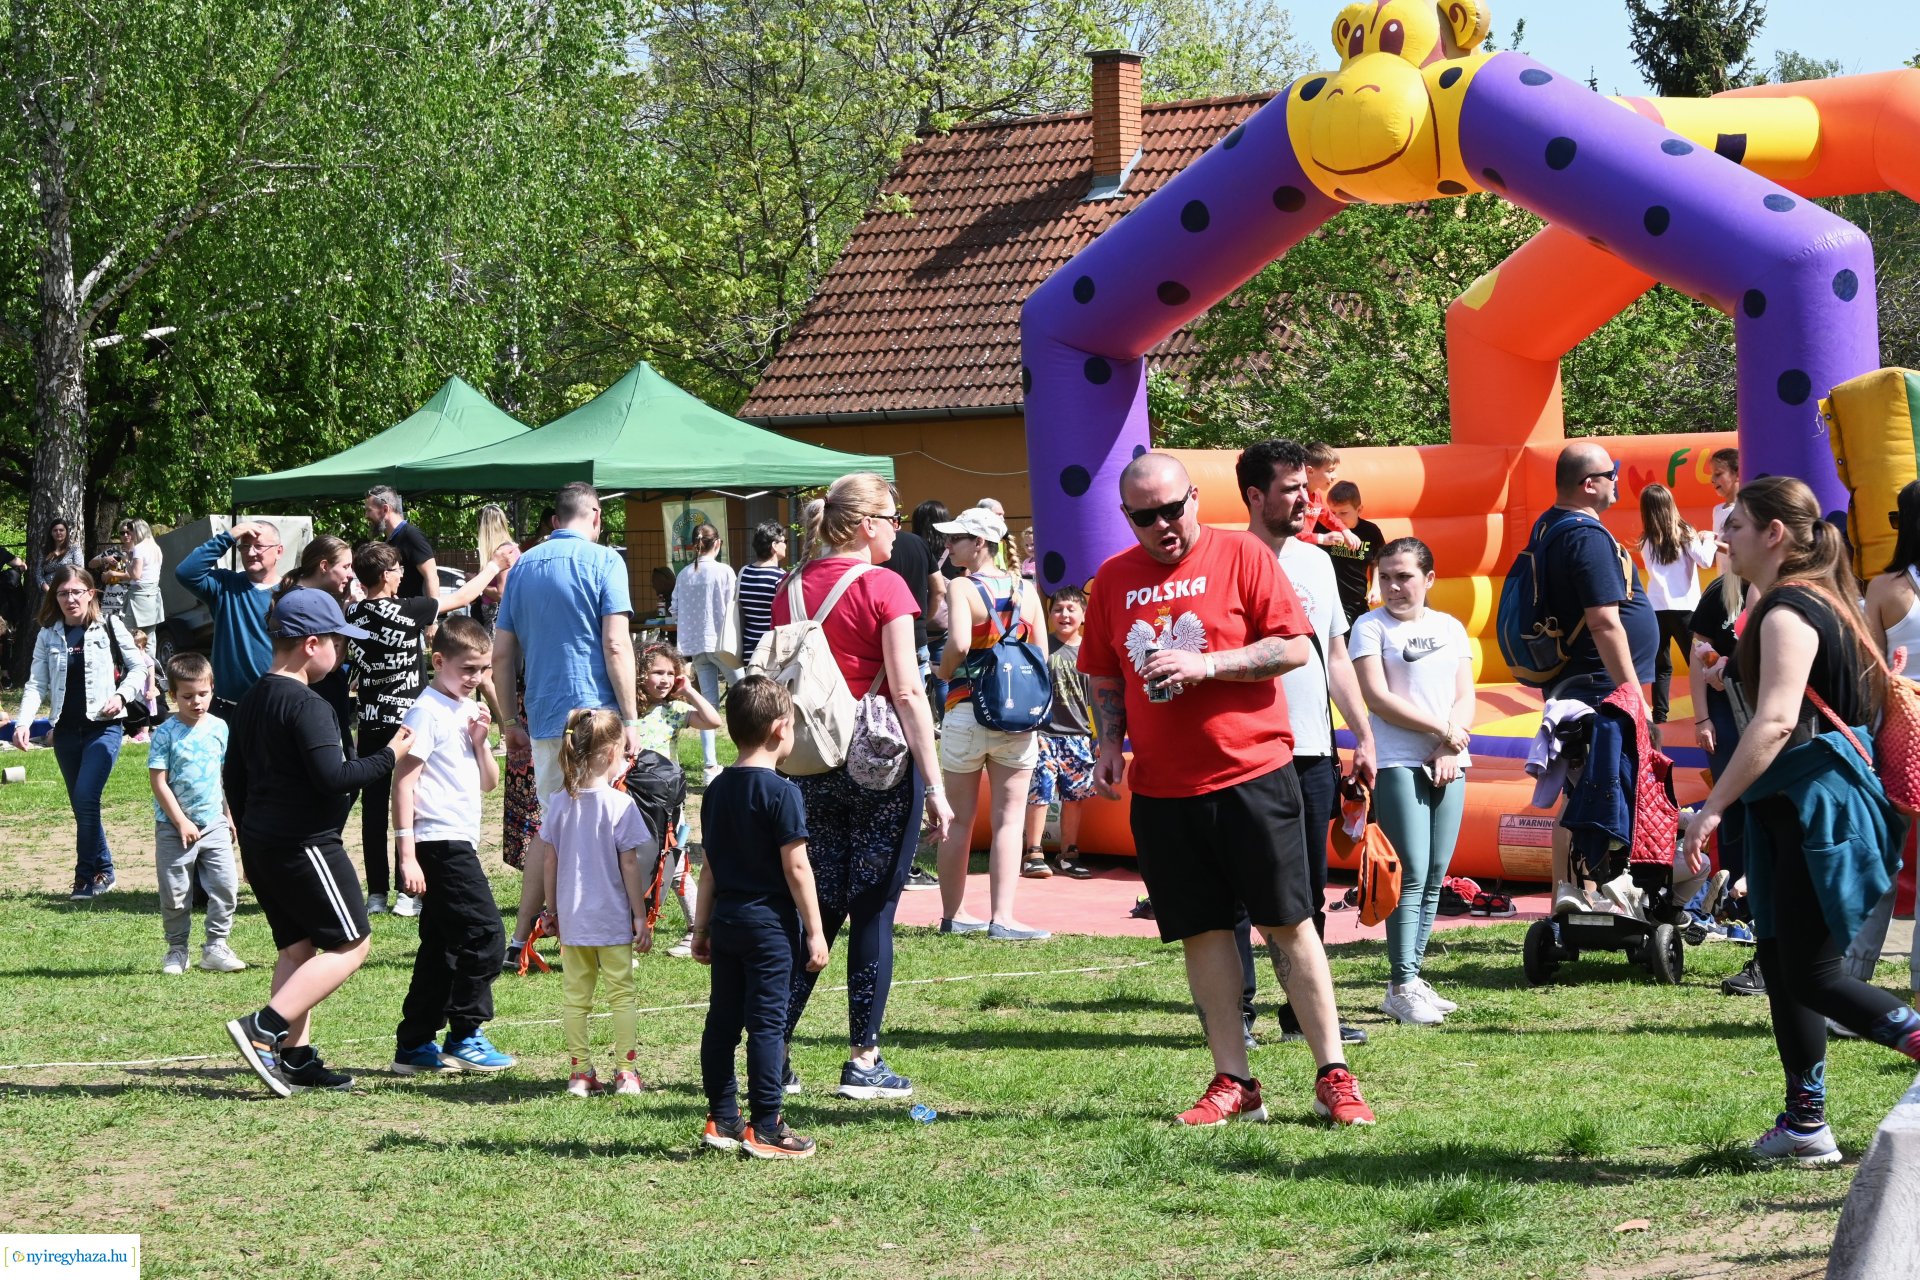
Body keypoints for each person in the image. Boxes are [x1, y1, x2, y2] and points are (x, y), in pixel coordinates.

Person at [1080, 452, 1374, 1127]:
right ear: (1127, 517)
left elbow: (1294, 647)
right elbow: (1104, 672)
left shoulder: (1242, 554)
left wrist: (1207, 664)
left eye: (1172, 509)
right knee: (1203, 932)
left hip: (1252, 773)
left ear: (1194, 499)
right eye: (1145, 517)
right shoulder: (1114, 579)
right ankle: (1234, 1080)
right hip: (1164, 790)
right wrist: (1108, 742)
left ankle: (1332, 1074)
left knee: (1288, 923)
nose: (1163, 525)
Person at [1681, 476, 1920, 1165]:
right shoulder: (1823, 598)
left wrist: (1711, 809)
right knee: (1782, 963)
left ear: (1774, 533)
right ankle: (1805, 1123)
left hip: (1814, 806)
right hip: (1793, 804)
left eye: (1735, 524)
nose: (1722, 536)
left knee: (1812, 973)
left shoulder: (1788, 610)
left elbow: (1778, 721)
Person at [772, 474, 952, 1101]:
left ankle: (775, 1050)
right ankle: (863, 1059)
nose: (898, 530)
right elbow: (907, 690)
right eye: (892, 518)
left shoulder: (791, 586)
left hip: (808, 760)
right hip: (877, 764)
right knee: (873, 907)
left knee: (814, 906)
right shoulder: (885, 586)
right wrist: (936, 784)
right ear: (866, 523)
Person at [221, 588, 414, 1098]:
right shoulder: (307, 704)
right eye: (338, 642)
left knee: (297, 949)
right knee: (353, 943)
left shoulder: (251, 698)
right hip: (306, 844)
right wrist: (391, 753)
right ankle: (264, 1027)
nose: (342, 652)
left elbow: (234, 778)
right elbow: (334, 777)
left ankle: (296, 1057)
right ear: (311, 644)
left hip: (265, 844)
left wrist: (249, 845)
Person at [1237, 440, 1376, 1046]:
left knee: (1308, 889)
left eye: (1306, 487)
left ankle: (1304, 1016)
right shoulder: (1225, 559)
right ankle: (1237, 1013)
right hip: (1246, 751)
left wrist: (1363, 735)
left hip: (1314, 751)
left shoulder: (1318, 562)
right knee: (1239, 888)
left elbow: (1336, 657)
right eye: (1292, 489)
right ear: (1255, 496)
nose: (1306, 500)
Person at [493, 482, 641, 973]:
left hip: (544, 714)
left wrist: (509, 719)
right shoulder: (606, 561)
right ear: (596, 516)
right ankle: (604, 933)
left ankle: (520, 938)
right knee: (607, 824)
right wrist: (631, 718)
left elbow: (502, 653)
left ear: (556, 520)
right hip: (597, 715)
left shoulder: (522, 567)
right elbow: (616, 644)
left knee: (551, 826)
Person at [692, 675, 827, 1159]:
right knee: (767, 1026)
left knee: (722, 1021)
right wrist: (816, 931)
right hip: (769, 928)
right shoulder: (783, 793)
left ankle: (723, 1118)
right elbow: (797, 867)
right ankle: (767, 1125)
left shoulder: (716, 789)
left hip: (727, 922)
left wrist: (701, 927)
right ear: (779, 728)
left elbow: (708, 869)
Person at [349, 539, 515, 916]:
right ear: (386, 575)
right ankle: (408, 892)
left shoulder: (354, 612)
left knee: (373, 808)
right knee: (412, 797)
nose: (402, 575)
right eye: (398, 570)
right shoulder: (408, 609)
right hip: (410, 721)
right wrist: (494, 565)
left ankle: (376, 894)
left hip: (371, 719)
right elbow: (464, 597)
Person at [1349, 538, 1475, 1025]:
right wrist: (1443, 732)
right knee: (1410, 872)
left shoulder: (1450, 627)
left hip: (1450, 758)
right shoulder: (1370, 627)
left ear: (1429, 579)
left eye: (1403, 576)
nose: (1393, 587)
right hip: (1397, 759)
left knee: (1437, 872)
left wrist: (1450, 746)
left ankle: (1412, 978)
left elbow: (1465, 695)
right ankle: (1402, 982)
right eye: (1385, 577)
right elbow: (1377, 698)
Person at [1532, 441, 1659, 911]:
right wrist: (1634, 695)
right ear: (1589, 484)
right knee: (1593, 788)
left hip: (1578, 680)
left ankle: (1574, 895)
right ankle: (1584, 894)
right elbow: (1605, 622)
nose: (1616, 481)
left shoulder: (1549, 524)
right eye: (1612, 473)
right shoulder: (1585, 536)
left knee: (1583, 787)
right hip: (1597, 685)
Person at [389, 616, 514, 1075]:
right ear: (438, 661)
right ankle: (465, 1034)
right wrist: (407, 855)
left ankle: (414, 1044)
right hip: (436, 841)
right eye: (467, 669)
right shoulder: (426, 712)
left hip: (459, 837)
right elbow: (402, 783)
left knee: (441, 947)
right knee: (485, 934)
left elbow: (489, 782)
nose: (476, 678)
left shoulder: (465, 708)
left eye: (482, 669)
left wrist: (481, 743)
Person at [932, 505, 1049, 940]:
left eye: (956, 538)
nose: (948, 544)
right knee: (1009, 821)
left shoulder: (962, 586)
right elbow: (1041, 654)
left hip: (966, 709)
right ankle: (1003, 918)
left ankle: (954, 914)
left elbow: (960, 643)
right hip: (1015, 718)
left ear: (979, 542)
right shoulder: (1027, 589)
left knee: (958, 821)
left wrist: (944, 673)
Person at [538, 708, 659, 1097]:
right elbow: (630, 864)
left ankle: (580, 1073)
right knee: (621, 994)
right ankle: (626, 1072)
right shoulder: (620, 805)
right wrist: (639, 916)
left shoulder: (558, 803)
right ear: (610, 754)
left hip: (573, 921)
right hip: (611, 920)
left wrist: (551, 911)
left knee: (577, 997)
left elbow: (549, 861)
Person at [14, 565, 150, 900]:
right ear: (55, 597)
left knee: (87, 797)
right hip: (65, 732)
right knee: (81, 804)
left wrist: (122, 696)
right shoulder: (48, 634)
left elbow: (138, 667)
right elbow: (36, 684)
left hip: (103, 729)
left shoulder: (110, 625)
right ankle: (105, 869)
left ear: (90, 593)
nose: (70, 599)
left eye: (76, 591)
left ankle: (84, 877)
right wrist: (23, 722)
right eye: (63, 593)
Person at [1846, 478, 1920, 1007]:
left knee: (1881, 862)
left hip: (1897, 734)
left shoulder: (1884, 587)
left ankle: (1850, 986)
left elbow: (1868, 674)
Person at [1689, 567, 1764, 995]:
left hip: (1758, 710)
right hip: (1725, 713)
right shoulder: (1722, 592)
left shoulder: (1776, 587)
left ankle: (1751, 899)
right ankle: (1735, 903)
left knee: (1758, 803)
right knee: (1730, 805)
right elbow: (1697, 653)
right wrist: (1701, 718)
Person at [149, 651, 244, 975]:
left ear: (212, 689)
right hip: (173, 828)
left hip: (214, 823)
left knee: (226, 886)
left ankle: (216, 947)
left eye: (203, 694)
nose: (196, 702)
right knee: (176, 894)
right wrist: (180, 821)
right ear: (173, 695)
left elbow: (222, 777)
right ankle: (177, 950)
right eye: (187, 696)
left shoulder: (220, 728)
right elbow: (159, 782)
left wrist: (228, 815)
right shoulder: (165, 732)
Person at [631, 642, 722, 956]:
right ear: (639, 674)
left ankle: (697, 927)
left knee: (675, 862)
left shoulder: (673, 710)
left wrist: (689, 691)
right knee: (630, 863)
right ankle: (625, 931)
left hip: (666, 802)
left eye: (671, 673)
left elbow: (713, 721)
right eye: (658, 672)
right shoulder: (627, 711)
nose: (665, 679)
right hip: (631, 798)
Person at [1022, 585, 1096, 879]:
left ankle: (1068, 854)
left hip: (1078, 737)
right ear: (1049, 615)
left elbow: (1099, 699)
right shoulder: (1041, 647)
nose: (1064, 614)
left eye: (1070, 609)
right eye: (1057, 609)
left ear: (1084, 615)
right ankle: (1033, 853)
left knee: (1074, 797)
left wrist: (1100, 737)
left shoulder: (1091, 652)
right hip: (1044, 735)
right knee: (1040, 792)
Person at [176, 519, 285, 715]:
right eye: (244, 546)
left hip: (273, 704)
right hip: (227, 706)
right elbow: (186, 572)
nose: (250, 553)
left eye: (258, 546)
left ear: (279, 551)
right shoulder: (225, 585)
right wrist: (229, 536)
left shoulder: (290, 593)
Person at [1637, 483, 1717, 726]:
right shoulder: (1685, 532)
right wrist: (1709, 538)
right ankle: (1711, 710)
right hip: (1685, 609)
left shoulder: (1646, 540)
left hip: (1657, 610)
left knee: (1661, 666)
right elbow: (1705, 561)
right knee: (1698, 661)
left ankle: (1660, 716)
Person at [673, 523, 737, 783]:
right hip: (723, 643)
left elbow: (674, 608)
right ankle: (749, 756)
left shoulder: (684, 574)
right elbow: (735, 605)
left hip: (696, 644)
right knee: (746, 698)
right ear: (718, 544)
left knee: (707, 706)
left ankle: (710, 767)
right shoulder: (724, 571)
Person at [881, 508, 941, 717]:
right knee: (916, 706)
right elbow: (939, 589)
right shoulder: (919, 543)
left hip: (881, 638)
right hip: (917, 636)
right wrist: (923, 619)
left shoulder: (870, 550)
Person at [1325, 481, 1386, 625]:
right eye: (1332, 513)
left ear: (1359, 510)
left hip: (1357, 603)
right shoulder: (1322, 528)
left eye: (1343, 513)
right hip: (1328, 602)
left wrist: (1376, 588)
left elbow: (1378, 561)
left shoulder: (1370, 531)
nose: (1337, 518)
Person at [365, 486, 438, 601]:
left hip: (415, 611)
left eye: (369, 510)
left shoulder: (412, 536)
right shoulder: (389, 540)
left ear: (385, 509)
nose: (366, 516)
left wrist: (433, 610)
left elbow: (431, 576)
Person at [737, 521, 789, 664]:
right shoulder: (780, 577)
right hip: (771, 650)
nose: (786, 545)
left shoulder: (744, 572)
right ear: (774, 545)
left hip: (748, 648)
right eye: (784, 541)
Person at [1298, 444, 1361, 553]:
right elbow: (1286, 535)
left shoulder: (1316, 494)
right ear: (1310, 472)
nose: (1335, 476)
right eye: (1330, 470)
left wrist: (1345, 531)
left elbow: (1328, 517)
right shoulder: (1296, 496)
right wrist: (1321, 538)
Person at [115, 519, 165, 631]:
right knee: (150, 635)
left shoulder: (139, 548)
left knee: (129, 632)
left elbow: (136, 575)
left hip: (139, 595)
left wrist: (126, 561)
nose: (130, 535)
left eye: (131, 531)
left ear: (138, 530)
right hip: (153, 594)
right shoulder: (156, 547)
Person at [1708, 447, 1739, 575]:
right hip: (1723, 580)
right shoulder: (1717, 510)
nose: (1712, 479)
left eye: (1718, 474)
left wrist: (1711, 543)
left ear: (1737, 474)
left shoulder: (1744, 510)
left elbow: (1741, 551)